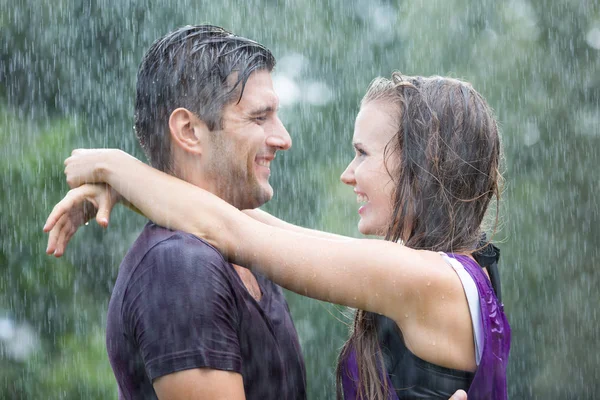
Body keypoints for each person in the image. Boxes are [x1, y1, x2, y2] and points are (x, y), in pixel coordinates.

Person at [44, 76, 491, 399]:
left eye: (363, 154)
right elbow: (255, 226)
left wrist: (113, 166)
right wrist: (130, 193)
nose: (347, 174)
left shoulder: (428, 279)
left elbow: (230, 230)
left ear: (423, 162)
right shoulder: (455, 273)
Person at [46, 25, 310, 400]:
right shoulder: (180, 266)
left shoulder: (244, 246)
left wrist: (124, 182)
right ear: (188, 130)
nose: (283, 138)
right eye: (258, 118)